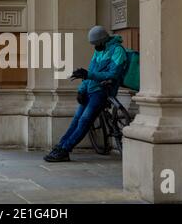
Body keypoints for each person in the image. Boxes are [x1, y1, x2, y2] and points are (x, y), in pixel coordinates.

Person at [43, 26, 127, 162]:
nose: (94, 47)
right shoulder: (99, 51)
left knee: (84, 121)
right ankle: (60, 146)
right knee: (76, 120)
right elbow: (89, 72)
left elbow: (113, 74)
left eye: (96, 44)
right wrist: (81, 89)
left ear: (103, 40)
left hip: (102, 91)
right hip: (90, 90)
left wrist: (88, 74)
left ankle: (65, 150)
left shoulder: (117, 51)